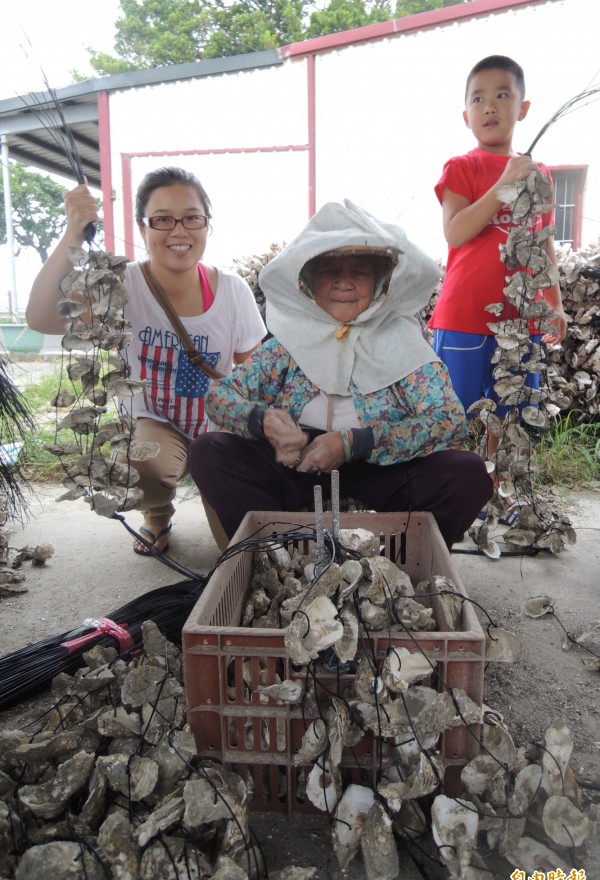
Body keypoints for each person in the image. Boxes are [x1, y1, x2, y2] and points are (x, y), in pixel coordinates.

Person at [188, 199, 493, 550]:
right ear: (308, 283)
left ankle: (397, 563)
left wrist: (355, 443)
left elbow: (449, 420)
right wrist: (263, 422)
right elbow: (220, 396)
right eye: (329, 271)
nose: (344, 283)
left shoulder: (403, 341)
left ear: (381, 282)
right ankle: (279, 556)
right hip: (297, 462)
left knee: (466, 474)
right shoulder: (288, 343)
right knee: (209, 450)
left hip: (380, 465)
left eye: (359, 271)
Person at [26, 167, 267, 554]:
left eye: (191, 217)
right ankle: (157, 514)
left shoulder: (233, 291)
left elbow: (256, 374)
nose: (179, 231)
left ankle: (219, 495)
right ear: (142, 229)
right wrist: (73, 231)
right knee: (142, 466)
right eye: (162, 220)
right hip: (153, 424)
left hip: (217, 428)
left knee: (240, 551)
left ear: (207, 225)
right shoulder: (121, 286)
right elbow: (41, 317)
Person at [429, 55, 567, 472]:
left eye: (502, 95)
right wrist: (503, 185)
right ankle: (448, 492)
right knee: (453, 414)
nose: (489, 106)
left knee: (511, 416)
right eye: (478, 98)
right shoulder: (462, 167)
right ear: (466, 115)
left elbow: (544, 244)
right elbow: (455, 232)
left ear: (522, 108)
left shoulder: (538, 172)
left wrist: (554, 303)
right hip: (465, 316)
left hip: (522, 320)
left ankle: (495, 497)